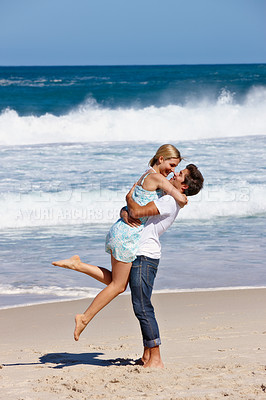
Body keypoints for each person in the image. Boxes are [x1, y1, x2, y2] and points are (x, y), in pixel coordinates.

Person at [52, 144, 187, 341]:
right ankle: (84, 318)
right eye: (172, 165)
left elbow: (133, 203)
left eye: (176, 168)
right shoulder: (157, 178)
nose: (172, 171)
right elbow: (180, 199)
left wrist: (124, 210)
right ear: (161, 159)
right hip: (127, 235)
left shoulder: (147, 175)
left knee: (118, 282)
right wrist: (183, 197)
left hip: (123, 231)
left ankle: (78, 264)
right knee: (117, 286)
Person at [124, 163, 204, 368]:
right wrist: (125, 211)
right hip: (143, 254)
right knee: (142, 305)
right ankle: (146, 356)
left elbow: (137, 212)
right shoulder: (168, 197)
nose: (176, 174)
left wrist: (128, 199)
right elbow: (132, 213)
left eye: (181, 174)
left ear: (184, 186)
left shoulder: (169, 201)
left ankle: (156, 359)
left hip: (145, 256)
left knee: (142, 306)